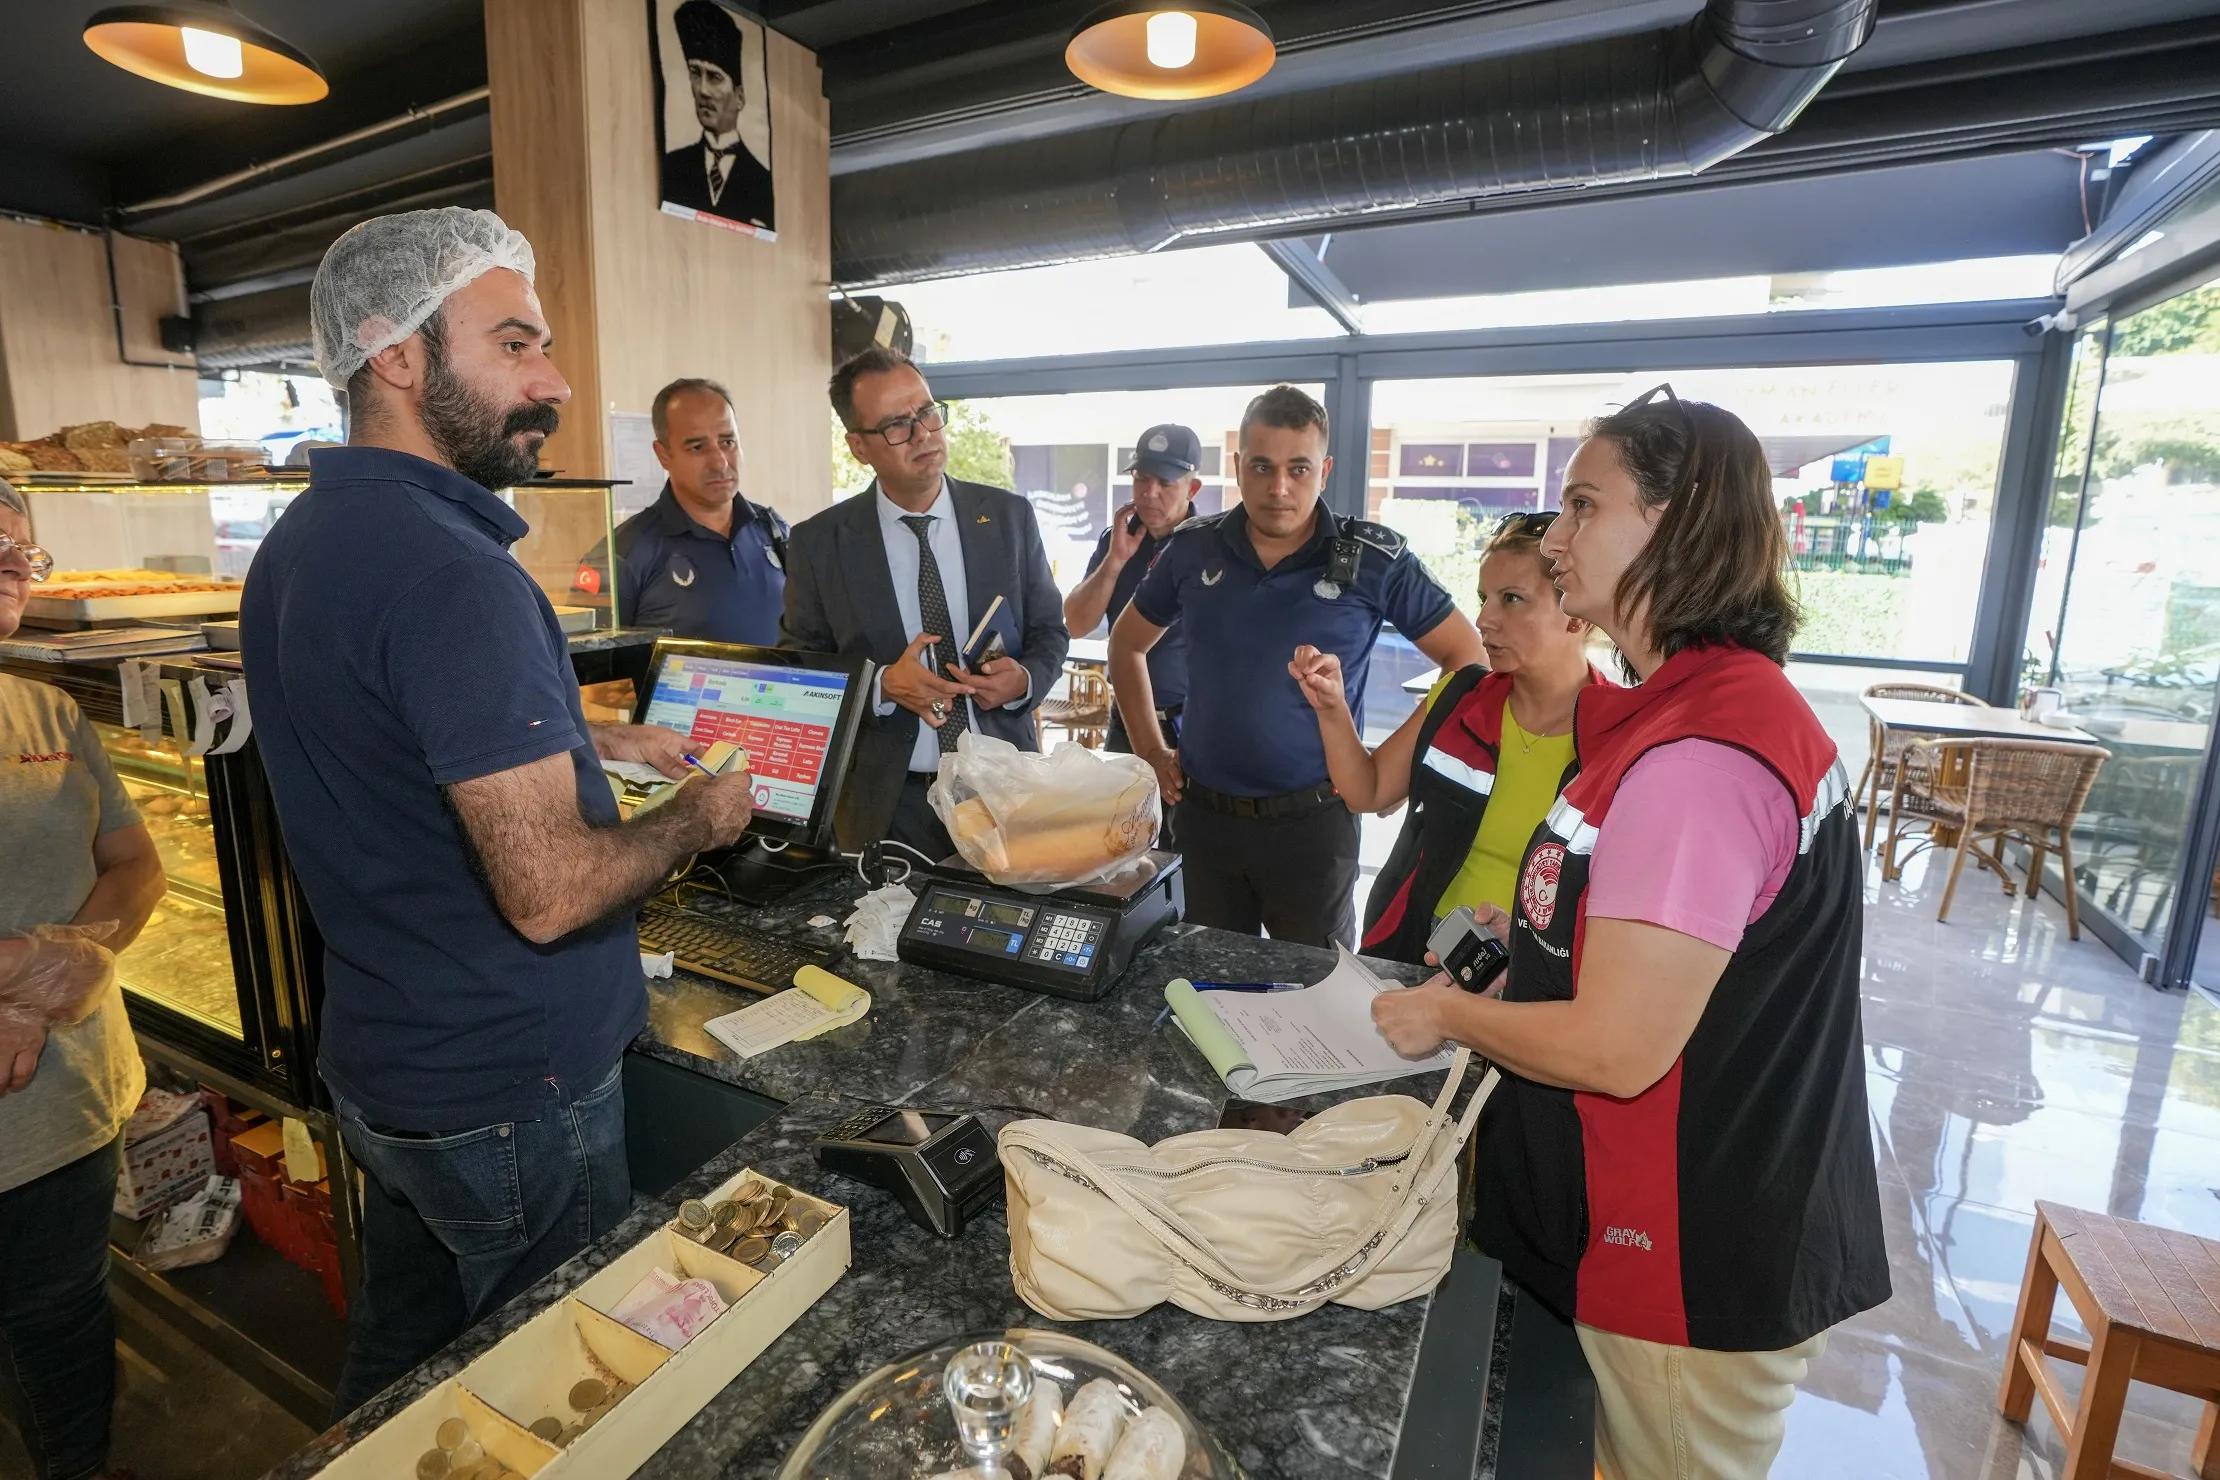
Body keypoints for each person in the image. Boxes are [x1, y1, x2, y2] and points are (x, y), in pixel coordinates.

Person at [242, 208, 759, 1417]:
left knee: (407, 1372)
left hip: (389, 1069)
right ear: (399, 356)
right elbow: (550, 892)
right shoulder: (454, 571)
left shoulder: (308, 539)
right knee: (562, 1394)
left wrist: (588, 738)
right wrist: (696, 814)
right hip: (510, 1090)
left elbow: (388, 740)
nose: (557, 381)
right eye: (517, 345)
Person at [1370, 388, 1888, 1480]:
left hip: (1684, 1253)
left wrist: (1446, 1011)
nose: (1555, 539)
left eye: (1582, 506)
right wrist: (1532, 951)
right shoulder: (1699, 705)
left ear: (1678, 520)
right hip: (1683, 1217)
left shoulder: (1698, 757)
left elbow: (1618, 1047)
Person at [1109, 386, 1483, 949]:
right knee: (1206, 988)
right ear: (1238, 467)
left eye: (1298, 468)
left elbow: (1468, 659)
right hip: (1205, 821)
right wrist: (1151, 750)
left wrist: (1389, 770)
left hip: (1315, 827)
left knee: (1317, 1002)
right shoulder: (1193, 550)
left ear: (1325, 470)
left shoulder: (1372, 561)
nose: (1279, 487)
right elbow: (1126, 645)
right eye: (1261, 467)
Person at [0, 478, 167, 1480]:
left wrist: (85, 948)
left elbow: (136, 863)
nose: (13, 567)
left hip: (65, 1109)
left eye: (23, 551)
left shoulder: (48, 706)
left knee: (64, 1326)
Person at [783, 347, 1067, 857]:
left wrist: (1023, 679)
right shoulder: (820, 543)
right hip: (889, 802)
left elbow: (1050, 630)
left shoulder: (1007, 518)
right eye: (896, 425)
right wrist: (883, 685)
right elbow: (803, 669)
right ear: (858, 446)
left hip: (1007, 786)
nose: (923, 435)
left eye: (928, 412)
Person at [1291, 511, 1602, 962]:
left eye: (1512, 599)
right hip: (1419, 949)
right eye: (1484, 598)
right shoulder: (1461, 695)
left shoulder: (1621, 735)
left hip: (1538, 976)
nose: (1484, 619)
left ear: (1576, 615)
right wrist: (1332, 707)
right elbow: (1368, 790)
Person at [590, 377, 788, 643]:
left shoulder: (774, 531)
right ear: (663, 455)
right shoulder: (624, 554)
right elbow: (591, 670)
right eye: (697, 447)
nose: (719, 462)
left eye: (727, 442)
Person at [1062, 424, 1201, 761]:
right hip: (1126, 722)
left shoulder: (1208, 546)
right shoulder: (1118, 539)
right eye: (1142, 479)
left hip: (1191, 723)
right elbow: (1077, 623)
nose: (1150, 493)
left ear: (1191, 489)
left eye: (1165, 483)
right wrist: (1115, 560)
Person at [659, 0, 773, 230]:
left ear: (739, 97)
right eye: (695, 73)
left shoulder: (762, 182)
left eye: (714, 77)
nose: (702, 90)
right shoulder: (672, 168)